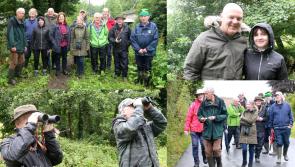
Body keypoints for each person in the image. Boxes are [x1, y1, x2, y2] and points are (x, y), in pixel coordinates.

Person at [183, 3, 247, 80]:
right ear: (222, 17)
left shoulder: (243, 41)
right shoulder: (204, 39)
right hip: (210, 90)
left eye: (239, 18)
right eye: (231, 17)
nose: (235, 21)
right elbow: (190, 71)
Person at [112, 98, 167, 167]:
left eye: (136, 107)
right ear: (123, 110)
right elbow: (130, 127)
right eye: (133, 106)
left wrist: (150, 109)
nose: (136, 108)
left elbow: (162, 123)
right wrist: (139, 107)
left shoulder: (146, 127)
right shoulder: (119, 125)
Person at [198, 88, 227, 167]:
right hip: (207, 131)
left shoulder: (220, 102)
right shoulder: (203, 103)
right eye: (205, 93)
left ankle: (219, 163)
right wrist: (201, 119)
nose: (205, 95)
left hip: (217, 130)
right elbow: (199, 114)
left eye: (207, 93)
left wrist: (215, 117)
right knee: (207, 151)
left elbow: (225, 115)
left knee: (216, 149)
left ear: (212, 93)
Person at [131, 8, 159, 86]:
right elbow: (132, 39)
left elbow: (155, 40)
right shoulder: (136, 27)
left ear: (148, 17)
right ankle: (140, 81)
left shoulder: (153, 26)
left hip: (149, 53)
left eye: (145, 16)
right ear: (140, 18)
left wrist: (147, 49)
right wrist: (138, 49)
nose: (143, 18)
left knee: (147, 68)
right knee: (139, 67)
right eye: (142, 16)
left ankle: (147, 83)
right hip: (138, 53)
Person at [184, 89, 207, 167]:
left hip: (203, 129)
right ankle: (196, 162)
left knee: (203, 145)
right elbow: (188, 117)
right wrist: (186, 129)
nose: (200, 96)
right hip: (194, 130)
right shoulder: (193, 105)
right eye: (199, 94)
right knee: (195, 146)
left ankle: (204, 156)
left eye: (201, 94)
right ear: (197, 96)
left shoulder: (207, 105)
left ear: (204, 95)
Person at [269, 91, 293, 164]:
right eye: (275, 95)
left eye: (278, 95)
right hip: (277, 128)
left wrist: (290, 124)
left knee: (286, 143)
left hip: (286, 128)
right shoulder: (272, 106)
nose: (277, 96)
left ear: (281, 96)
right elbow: (271, 118)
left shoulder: (287, 105)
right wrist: (271, 127)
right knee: (279, 143)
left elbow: (291, 116)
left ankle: (285, 154)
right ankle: (279, 158)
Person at [6, 8, 27, 85]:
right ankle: (10, 79)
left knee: (22, 61)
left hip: (21, 45)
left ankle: (18, 74)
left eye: (23, 13)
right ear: (17, 13)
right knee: (14, 62)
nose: (22, 14)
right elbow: (10, 34)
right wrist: (12, 45)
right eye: (21, 13)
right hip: (14, 46)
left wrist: (25, 45)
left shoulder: (22, 21)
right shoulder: (12, 21)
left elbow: (24, 34)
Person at [108, 15, 131, 81]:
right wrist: (115, 41)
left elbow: (131, 38)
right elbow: (109, 38)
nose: (119, 21)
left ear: (123, 20)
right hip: (116, 48)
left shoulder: (127, 28)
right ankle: (117, 73)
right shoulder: (113, 28)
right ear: (116, 20)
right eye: (118, 19)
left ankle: (124, 76)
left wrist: (127, 44)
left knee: (125, 62)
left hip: (124, 49)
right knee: (116, 62)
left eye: (121, 19)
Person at [51, 12, 71, 76]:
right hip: (57, 45)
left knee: (64, 58)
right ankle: (57, 70)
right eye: (60, 17)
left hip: (65, 45)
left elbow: (69, 35)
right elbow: (51, 35)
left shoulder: (67, 26)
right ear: (58, 18)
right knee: (57, 58)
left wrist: (68, 42)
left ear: (64, 18)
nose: (61, 18)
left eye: (62, 17)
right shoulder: (55, 25)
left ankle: (64, 70)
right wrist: (54, 43)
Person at [239, 101, 258, 167]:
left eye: (248, 104)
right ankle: (244, 161)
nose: (247, 105)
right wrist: (249, 123)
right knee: (244, 149)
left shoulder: (256, 112)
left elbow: (252, 121)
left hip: (252, 132)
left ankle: (250, 163)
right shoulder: (244, 111)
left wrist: (243, 118)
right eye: (246, 104)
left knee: (251, 149)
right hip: (244, 131)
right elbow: (241, 122)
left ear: (252, 105)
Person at [253, 96, 267, 163]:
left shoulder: (264, 108)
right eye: (257, 101)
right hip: (253, 128)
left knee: (260, 144)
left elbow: (267, 118)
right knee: (253, 144)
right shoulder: (251, 108)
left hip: (261, 128)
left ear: (261, 101)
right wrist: (254, 118)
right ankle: (254, 154)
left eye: (259, 101)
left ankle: (257, 156)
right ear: (255, 101)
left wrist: (262, 119)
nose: (258, 102)